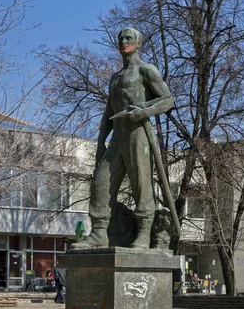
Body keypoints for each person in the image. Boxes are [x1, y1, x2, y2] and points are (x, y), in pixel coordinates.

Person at [72, 27, 174, 250]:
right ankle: (99, 233)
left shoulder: (146, 70)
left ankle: (144, 234)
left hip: (139, 134)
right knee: (100, 182)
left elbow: (167, 100)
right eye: (121, 38)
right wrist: (100, 143)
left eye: (129, 38)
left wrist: (144, 112)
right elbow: (108, 112)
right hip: (117, 137)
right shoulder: (116, 78)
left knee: (141, 185)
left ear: (138, 43)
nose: (124, 41)